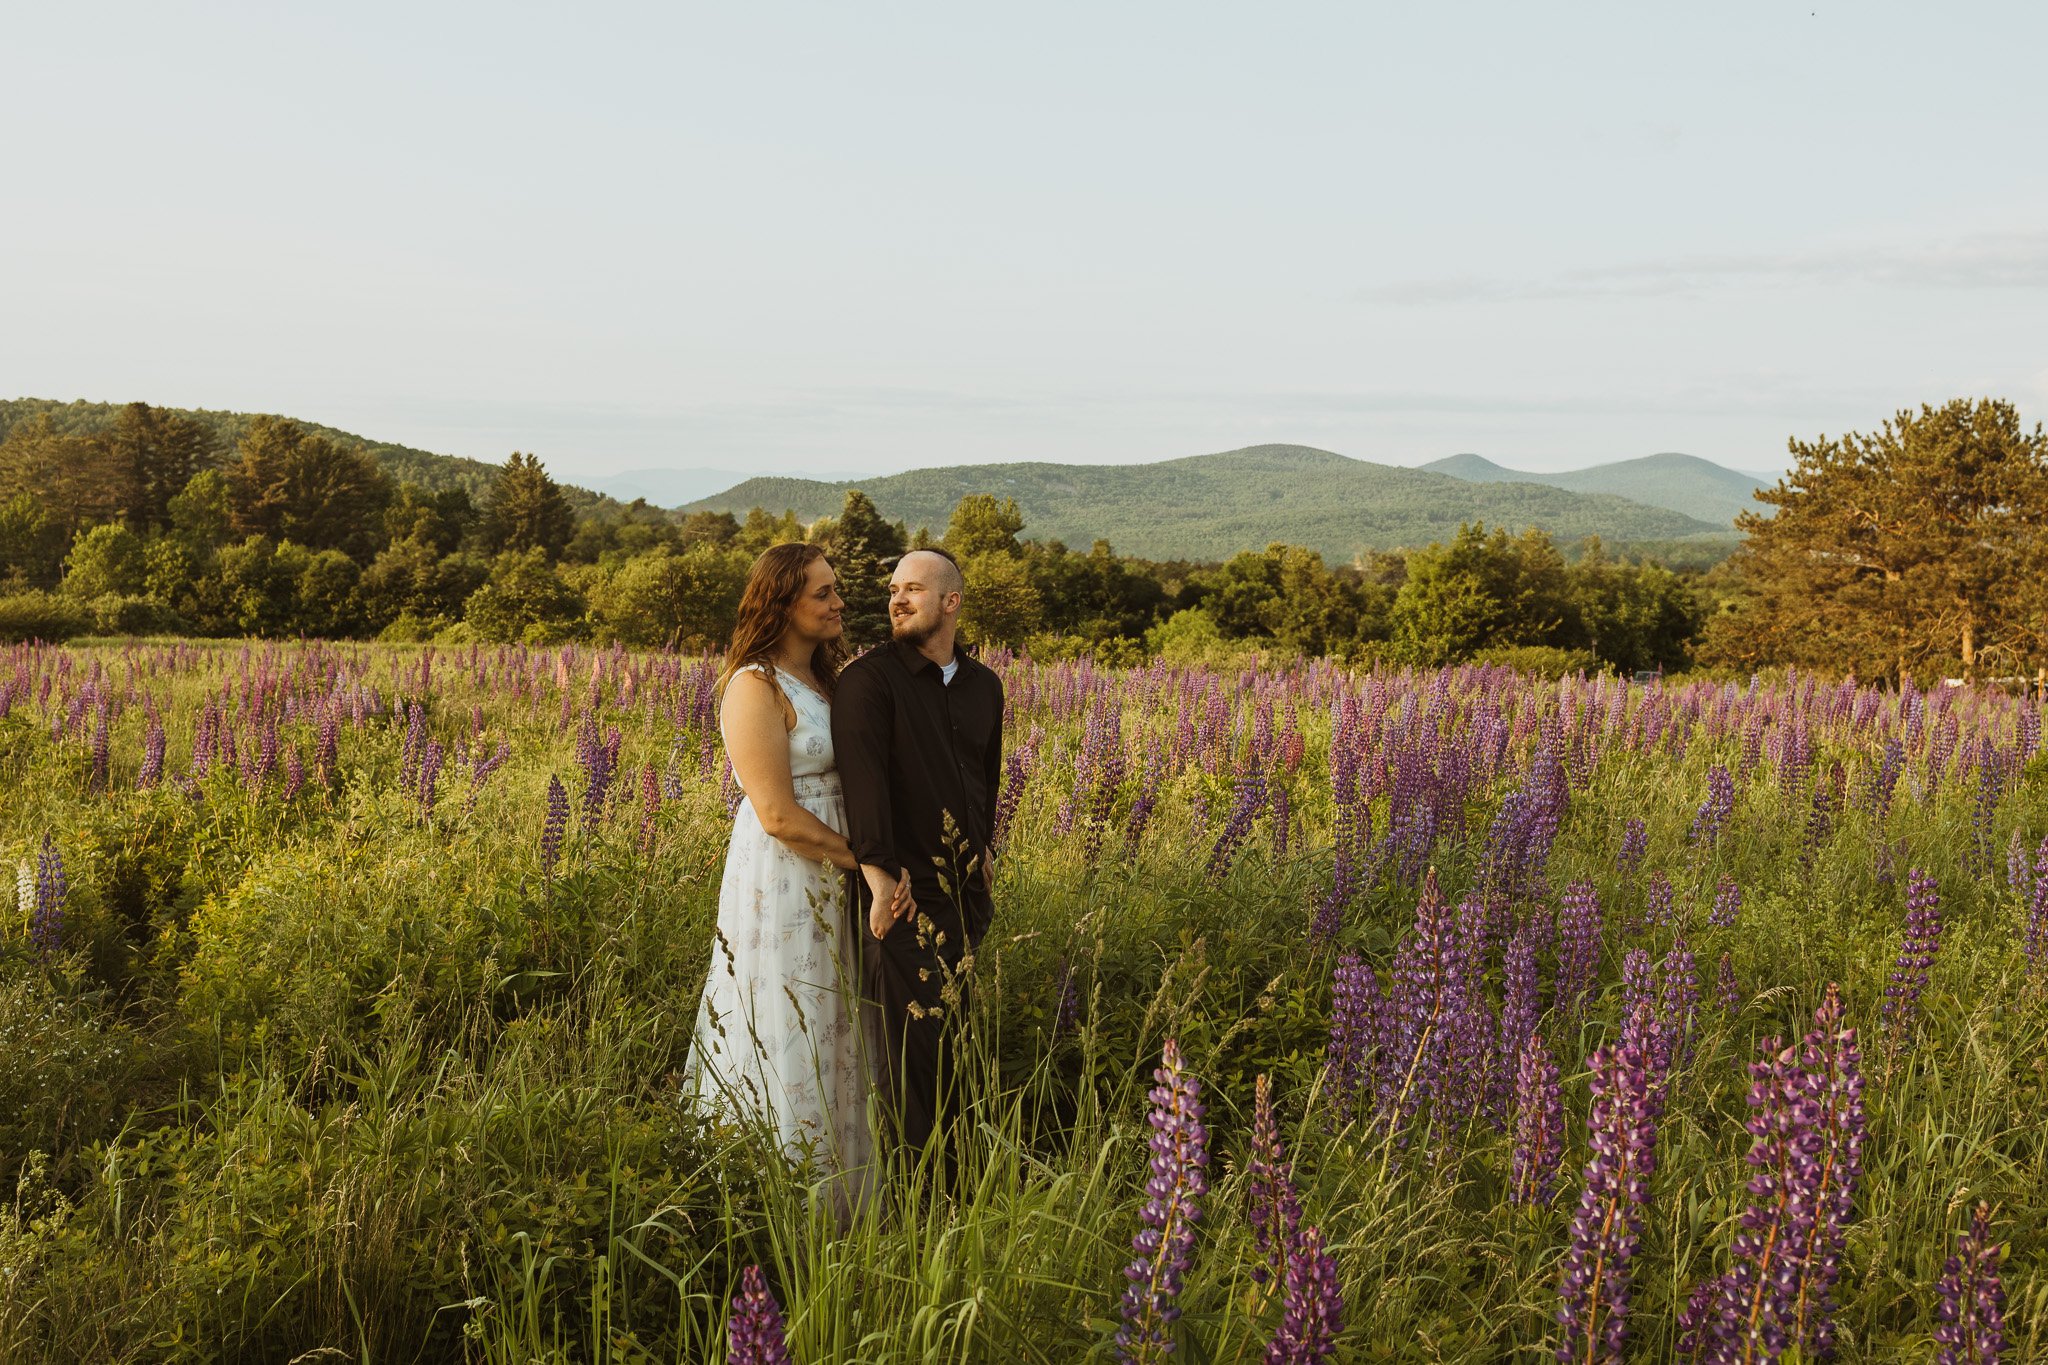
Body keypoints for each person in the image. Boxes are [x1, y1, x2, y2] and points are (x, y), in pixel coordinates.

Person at [682, 542, 902, 1216]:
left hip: (843, 864)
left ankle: (855, 1197)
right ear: (781, 601)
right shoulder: (754, 684)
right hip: (791, 872)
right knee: (794, 1011)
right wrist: (870, 865)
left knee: (842, 1017)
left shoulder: (830, 681)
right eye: (823, 592)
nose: (839, 602)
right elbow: (776, 812)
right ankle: (782, 1201)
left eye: (836, 590)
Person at [831, 547, 1005, 1168]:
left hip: (967, 895)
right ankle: (924, 1195)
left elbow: (986, 777)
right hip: (903, 895)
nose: (897, 599)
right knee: (914, 1058)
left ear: (951, 602)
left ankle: (961, 1184)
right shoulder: (868, 680)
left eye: (913, 589)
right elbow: (864, 787)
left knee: (958, 1045)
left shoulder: (985, 686)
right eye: (893, 588)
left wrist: (985, 849)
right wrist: (879, 879)